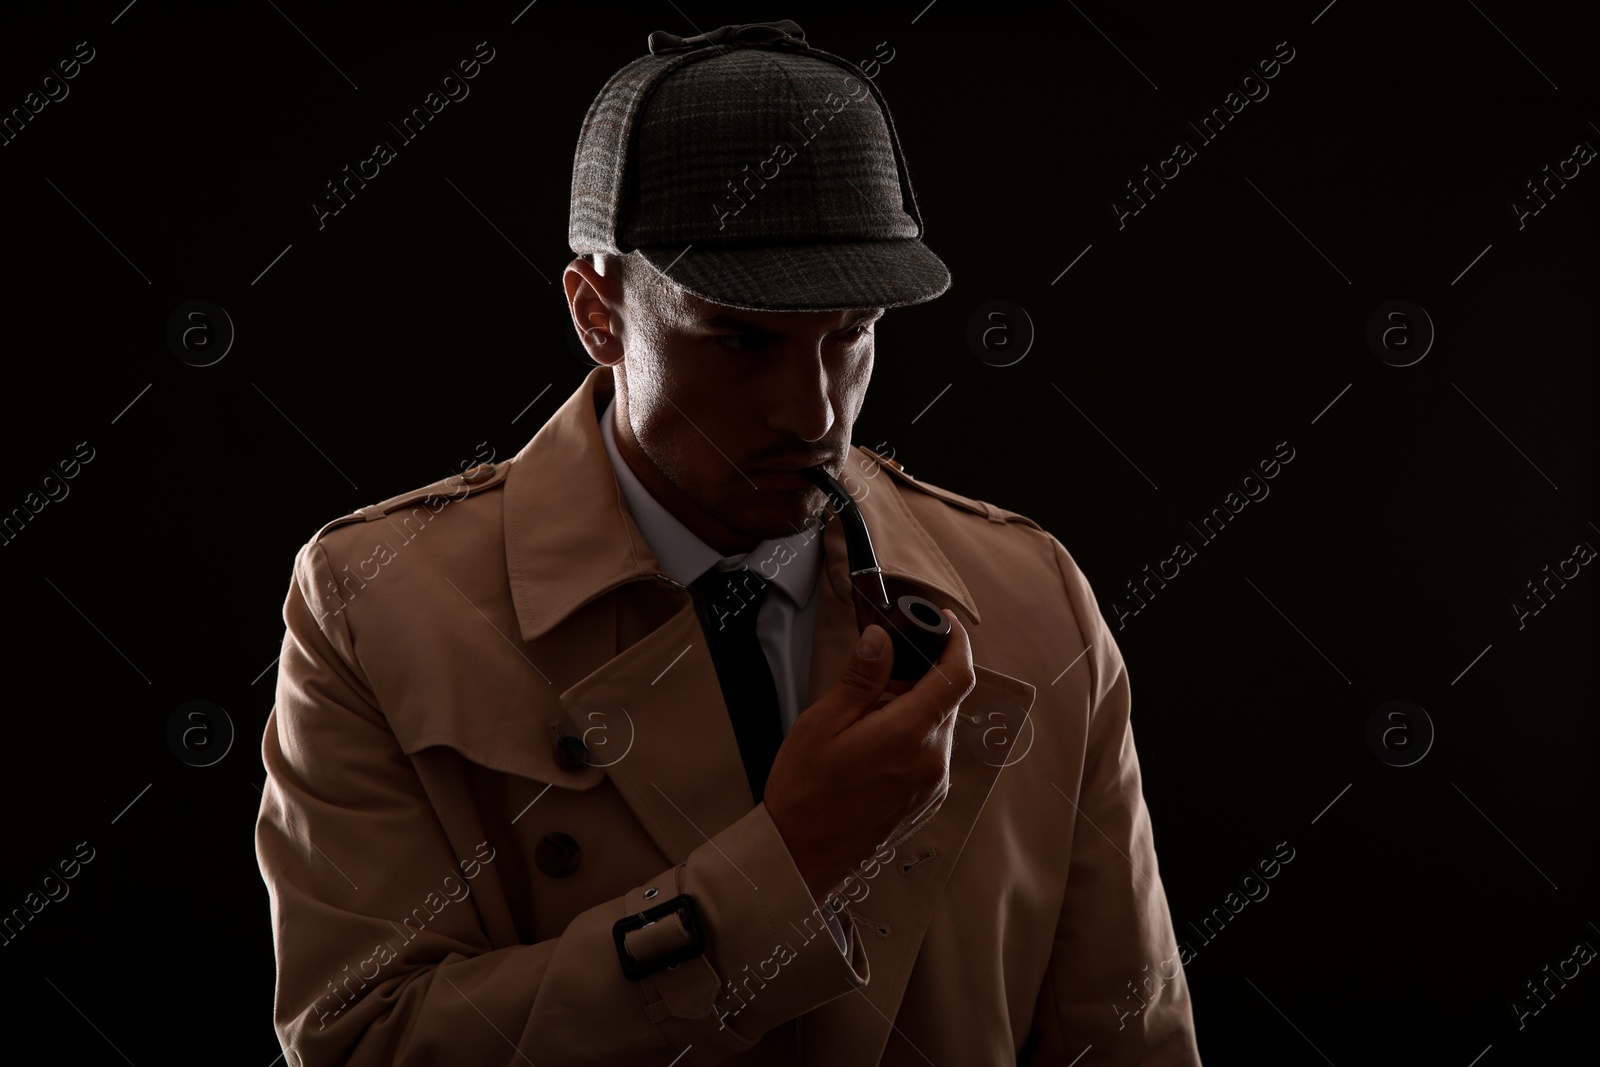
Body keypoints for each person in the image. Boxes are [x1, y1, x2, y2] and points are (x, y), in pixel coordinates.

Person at [255, 19, 1201, 1065]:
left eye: (851, 333)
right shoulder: (379, 603)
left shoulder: (1031, 599)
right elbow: (364, 1047)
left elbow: (1130, 1041)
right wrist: (782, 867)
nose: (813, 412)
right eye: (740, 339)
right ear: (598, 312)